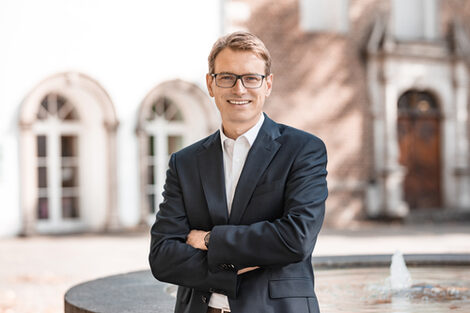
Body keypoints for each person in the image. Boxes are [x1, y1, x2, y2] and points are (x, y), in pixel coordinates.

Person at [149, 31, 328, 313]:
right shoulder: (184, 162)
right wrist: (236, 266)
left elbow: (295, 239)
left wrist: (209, 240)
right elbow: (162, 257)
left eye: (251, 78)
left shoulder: (303, 150)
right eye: (227, 77)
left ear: (268, 84)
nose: (239, 89)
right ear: (211, 83)